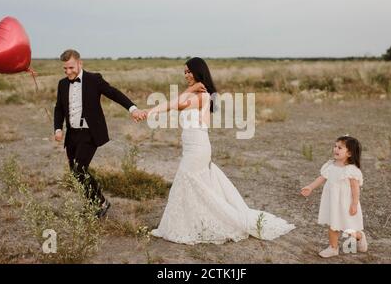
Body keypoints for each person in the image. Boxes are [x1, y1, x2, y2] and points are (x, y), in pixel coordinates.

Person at [146, 57, 295, 244]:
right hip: (193, 148)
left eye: (189, 71)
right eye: (184, 72)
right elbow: (172, 105)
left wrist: (189, 90)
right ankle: (189, 223)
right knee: (193, 185)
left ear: (198, 72)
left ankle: (189, 225)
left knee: (185, 181)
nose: (186, 75)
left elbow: (174, 105)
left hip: (198, 149)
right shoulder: (194, 94)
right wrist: (150, 112)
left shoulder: (202, 95)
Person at [53, 49, 147, 218]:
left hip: (90, 133)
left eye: (71, 68)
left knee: (79, 169)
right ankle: (96, 203)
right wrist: (58, 128)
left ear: (80, 63)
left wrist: (132, 108)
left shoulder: (94, 79)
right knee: (76, 174)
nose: (68, 72)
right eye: (65, 69)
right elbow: (59, 108)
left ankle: (100, 203)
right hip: (72, 134)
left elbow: (113, 93)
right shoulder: (62, 84)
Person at [301, 135, 368, 257]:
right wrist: (310, 187)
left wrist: (354, 204)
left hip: (346, 203)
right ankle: (333, 248)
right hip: (333, 201)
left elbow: (355, 189)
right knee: (333, 225)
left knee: (348, 230)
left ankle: (360, 236)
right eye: (335, 146)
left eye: (340, 148)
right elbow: (321, 178)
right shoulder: (331, 165)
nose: (336, 149)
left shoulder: (351, 170)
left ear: (349, 153)